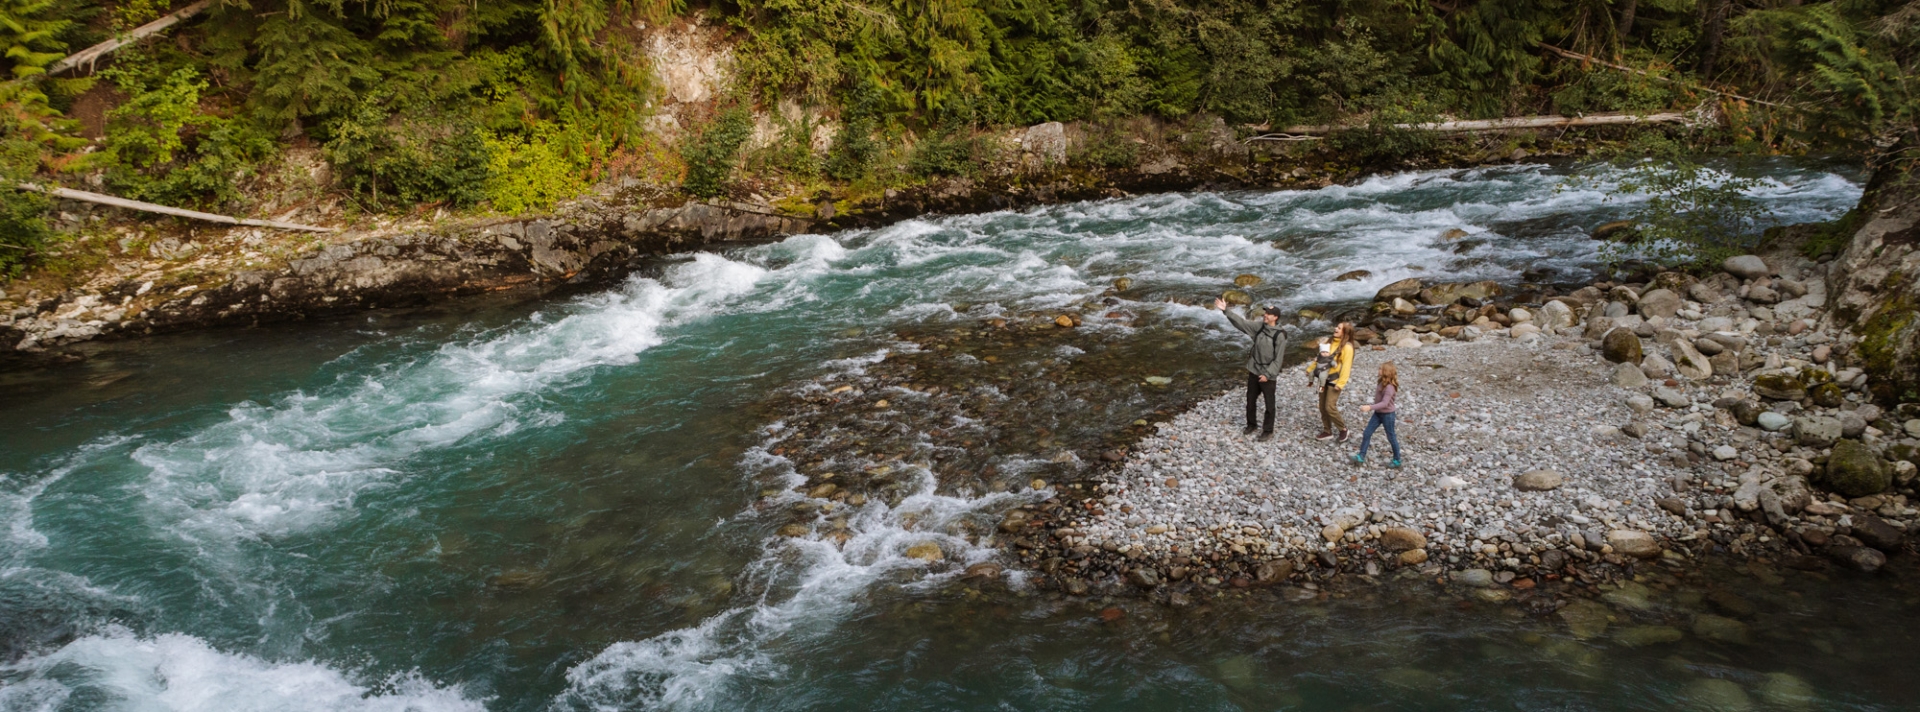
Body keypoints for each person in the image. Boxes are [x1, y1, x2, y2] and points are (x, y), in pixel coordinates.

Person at [1213, 298, 1290, 440]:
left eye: (1268, 314)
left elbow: (1278, 360)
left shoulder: (1280, 335)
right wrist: (1226, 311)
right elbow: (1241, 323)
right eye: (1265, 313)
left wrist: (1268, 374)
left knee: (1269, 404)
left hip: (1268, 375)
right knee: (1250, 400)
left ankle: (1268, 430)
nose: (1265, 315)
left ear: (1275, 317)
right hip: (1254, 370)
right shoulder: (1259, 327)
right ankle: (1251, 424)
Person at [1305, 322, 1355, 442]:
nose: (1335, 329)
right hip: (1322, 381)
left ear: (1345, 332)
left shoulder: (1347, 348)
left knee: (1330, 407)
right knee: (1322, 406)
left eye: (1339, 328)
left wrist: (1340, 384)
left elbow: (1346, 367)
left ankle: (1343, 429)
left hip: (1334, 381)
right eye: (1336, 327)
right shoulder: (1329, 342)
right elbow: (1320, 359)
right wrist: (1310, 369)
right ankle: (1327, 431)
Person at [1352, 361, 1404, 467]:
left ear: (1386, 372)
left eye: (1380, 369)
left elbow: (1385, 403)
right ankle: (1361, 456)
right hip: (1378, 414)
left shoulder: (1389, 387)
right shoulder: (1381, 383)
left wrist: (1369, 407)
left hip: (1388, 415)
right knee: (1367, 433)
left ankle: (1397, 459)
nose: (1378, 370)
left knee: (1391, 436)